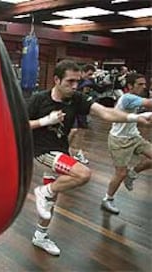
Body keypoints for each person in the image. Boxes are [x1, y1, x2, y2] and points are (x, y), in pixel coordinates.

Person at [27, 60, 151, 256]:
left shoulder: (76, 98)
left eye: (77, 81)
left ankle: (40, 235)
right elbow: (19, 124)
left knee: (50, 200)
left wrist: (134, 118)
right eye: (69, 81)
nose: (75, 86)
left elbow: (105, 113)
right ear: (56, 80)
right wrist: (45, 121)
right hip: (41, 152)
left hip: (60, 151)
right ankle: (43, 191)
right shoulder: (39, 99)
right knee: (83, 174)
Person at [101, 73, 152, 214]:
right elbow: (149, 104)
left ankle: (133, 173)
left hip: (134, 136)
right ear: (130, 86)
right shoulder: (128, 97)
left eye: (144, 84)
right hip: (119, 140)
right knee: (120, 173)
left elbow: (139, 116)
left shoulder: (135, 99)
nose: (144, 86)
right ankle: (107, 199)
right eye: (140, 84)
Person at [68, 64, 96, 164]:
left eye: (92, 75)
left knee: (82, 131)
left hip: (81, 110)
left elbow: (85, 96)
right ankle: (63, 150)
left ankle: (79, 153)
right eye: (89, 74)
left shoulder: (88, 83)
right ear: (83, 72)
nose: (90, 76)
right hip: (71, 108)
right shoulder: (74, 81)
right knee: (73, 130)